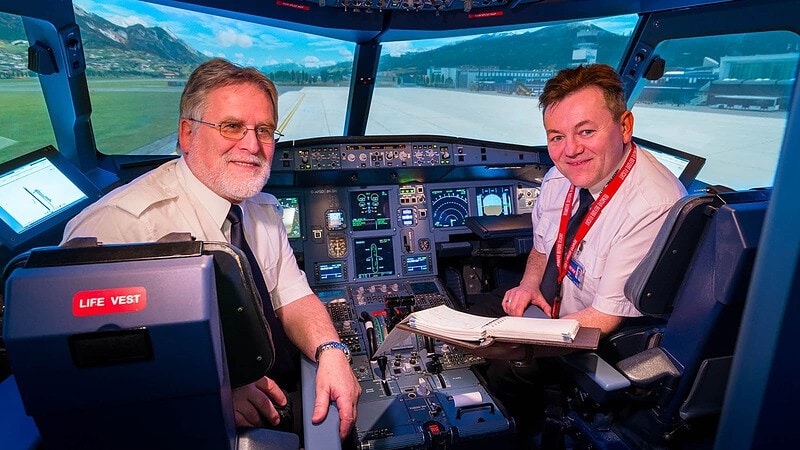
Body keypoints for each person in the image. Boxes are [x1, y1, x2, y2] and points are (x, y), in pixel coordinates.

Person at [61, 58, 360, 439]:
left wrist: (331, 350)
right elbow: (82, 370)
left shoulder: (261, 209)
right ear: (187, 134)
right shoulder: (119, 226)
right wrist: (210, 393)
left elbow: (292, 296)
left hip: (280, 387)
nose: (252, 145)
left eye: (264, 130)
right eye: (231, 126)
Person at [466, 63, 687, 443]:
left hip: (591, 339)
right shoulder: (563, 176)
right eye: (557, 137)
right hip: (552, 308)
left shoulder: (651, 207)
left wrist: (525, 341)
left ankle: (517, 434)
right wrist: (528, 286)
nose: (570, 151)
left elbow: (605, 318)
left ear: (625, 126)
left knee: (505, 370)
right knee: (471, 314)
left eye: (586, 131)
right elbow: (542, 247)